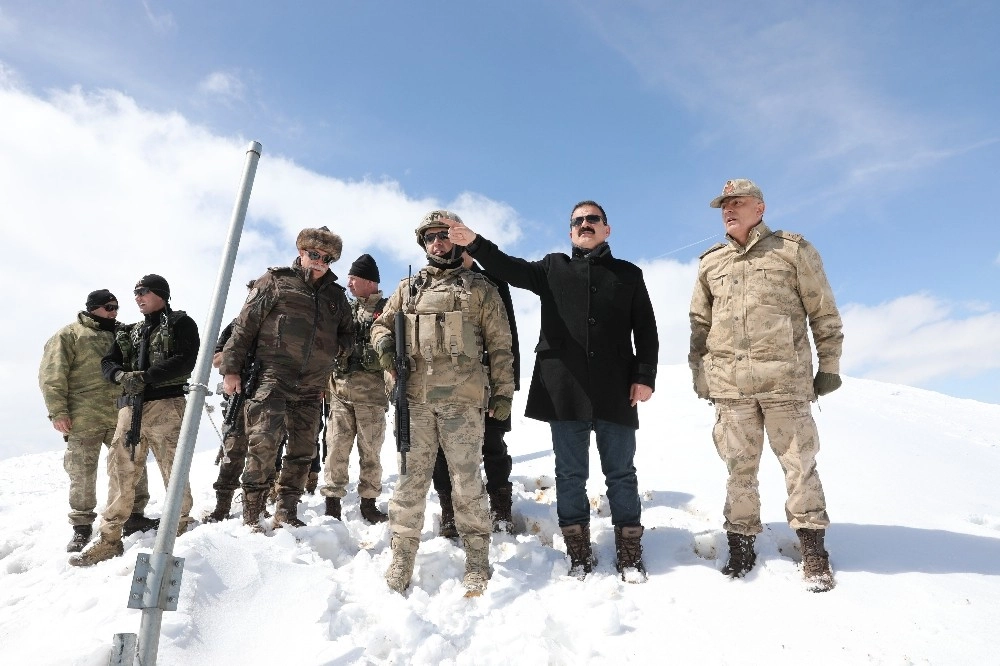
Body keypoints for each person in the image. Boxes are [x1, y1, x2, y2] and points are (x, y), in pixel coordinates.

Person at [449, 200, 658, 581]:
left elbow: (646, 330)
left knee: (621, 473)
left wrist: (644, 376)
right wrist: (475, 243)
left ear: (607, 229)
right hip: (566, 391)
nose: (585, 224)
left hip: (616, 390)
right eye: (578, 221)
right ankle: (577, 548)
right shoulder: (553, 268)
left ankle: (630, 550)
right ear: (570, 231)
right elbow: (508, 268)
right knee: (569, 474)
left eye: (593, 219)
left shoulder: (629, 274)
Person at [688, 179, 844, 592]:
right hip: (731, 386)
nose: (728, 210)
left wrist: (829, 365)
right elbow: (699, 326)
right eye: (724, 205)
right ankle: (741, 544)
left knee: (799, 465)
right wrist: (700, 374)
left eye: (737, 203)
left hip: (785, 383)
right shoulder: (711, 263)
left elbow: (823, 313)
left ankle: (813, 549)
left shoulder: (793, 251)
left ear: (760, 207)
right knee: (739, 468)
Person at [371, 210, 515, 595]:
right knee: (409, 484)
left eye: (445, 235)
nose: (438, 242)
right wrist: (385, 348)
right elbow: (381, 324)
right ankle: (402, 555)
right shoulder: (408, 288)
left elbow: (501, 346)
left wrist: (503, 394)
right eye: (431, 237)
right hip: (415, 402)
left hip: (462, 404)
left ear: (458, 238)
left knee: (467, 483)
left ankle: (477, 558)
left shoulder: (481, 288)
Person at [219, 227, 354, 531]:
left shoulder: (336, 296)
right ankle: (253, 514)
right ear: (301, 252)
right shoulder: (276, 281)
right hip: (272, 377)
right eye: (314, 254)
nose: (320, 261)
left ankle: (286, 511)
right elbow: (244, 327)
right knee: (263, 444)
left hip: (312, 385)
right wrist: (231, 370)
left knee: (303, 450)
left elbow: (348, 333)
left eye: (327, 258)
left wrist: (335, 352)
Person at [70, 275, 199, 566]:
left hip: (166, 405)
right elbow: (108, 362)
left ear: (161, 293)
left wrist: (145, 377)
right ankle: (109, 539)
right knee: (120, 472)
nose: (137, 297)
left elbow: (185, 360)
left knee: (173, 469)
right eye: (135, 293)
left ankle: (180, 529)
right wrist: (121, 376)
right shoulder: (131, 331)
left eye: (143, 292)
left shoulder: (181, 323)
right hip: (129, 410)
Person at [39, 289, 153, 552]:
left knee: (132, 463)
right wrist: (58, 412)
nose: (113, 312)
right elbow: (52, 376)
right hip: (83, 415)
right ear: (93, 308)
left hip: (121, 411)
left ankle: (135, 515)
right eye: (108, 308)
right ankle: (81, 526)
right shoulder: (69, 335)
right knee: (81, 471)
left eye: (116, 308)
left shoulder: (124, 334)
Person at [432, 250, 520, 536]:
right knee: (443, 451)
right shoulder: (434, 284)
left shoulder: (490, 282)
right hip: (446, 386)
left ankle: (500, 506)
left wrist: (505, 388)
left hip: (487, 383)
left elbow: (505, 341)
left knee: (492, 444)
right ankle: (449, 509)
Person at [320, 253, 391, 524]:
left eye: (353, 279)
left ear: (369, 282)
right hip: (339, 391)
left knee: (370, 452)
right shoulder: (344, 309)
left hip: (371, 396)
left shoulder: (387, 309)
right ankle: (332, 503)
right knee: (335, 447)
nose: (348, 284)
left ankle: (369, 503)